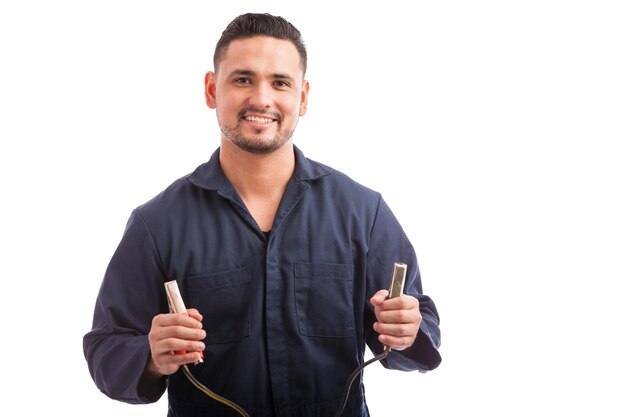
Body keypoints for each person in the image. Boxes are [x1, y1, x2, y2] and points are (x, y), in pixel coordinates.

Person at [83, 12, 441, 417]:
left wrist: (408, 332)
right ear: (211, 89)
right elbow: (107, 348)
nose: (261, 99)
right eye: (242, 79)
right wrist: (151, 354)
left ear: (302, 97)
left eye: (280, 82)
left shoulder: (364, 213)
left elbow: (418, 327)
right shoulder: (158, 224)